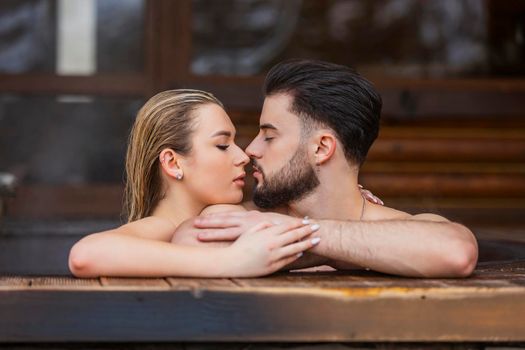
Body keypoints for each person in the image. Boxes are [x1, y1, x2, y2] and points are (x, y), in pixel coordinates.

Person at [175, 60, 479, 278]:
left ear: (321, 148)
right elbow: (191, 240)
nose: (251, 149)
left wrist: (307, 235)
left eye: (269, 136)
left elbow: (456, 252)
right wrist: (351, 249)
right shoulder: (242, 218)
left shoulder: (408, 225)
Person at [68, 89, 323, 278]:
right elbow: (85, 255)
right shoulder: (164, 227)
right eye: (223, 145)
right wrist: (231, 261)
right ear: (173, 163)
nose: (243, 156)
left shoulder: (238, 215)